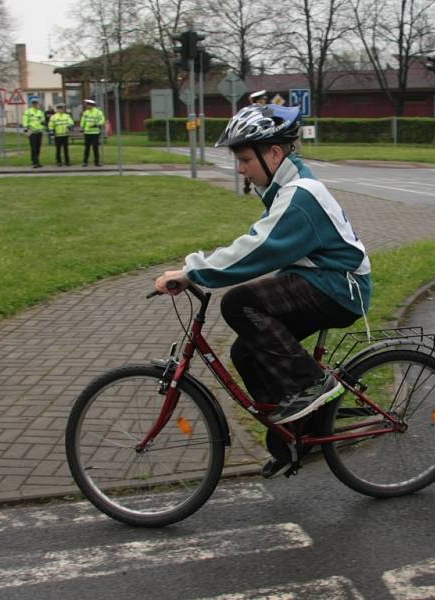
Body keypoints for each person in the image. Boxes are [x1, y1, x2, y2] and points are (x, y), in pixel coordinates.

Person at [154, 104, 372, 478]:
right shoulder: (288, 186)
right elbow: (263, 247)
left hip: (340, 288)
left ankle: (313, 385)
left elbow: (258, 249)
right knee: (246, 350)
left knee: (239, 302)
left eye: (244, 159)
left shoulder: (301, 194)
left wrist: (193, 272)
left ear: (274, 153)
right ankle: (294, 437)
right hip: (322, 282)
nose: (240, 169)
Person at [80, 99, 105, 166]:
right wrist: (82, 127)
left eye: (88, 104)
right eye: (86, 104)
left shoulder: (98, 112)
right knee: (86, 148)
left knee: (95, 148)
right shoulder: (85, 112)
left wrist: (97, 124)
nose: (87, 106)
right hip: (87, 133)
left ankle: (97, 162)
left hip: (95, 133)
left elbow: (102, 120)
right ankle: (85, 162)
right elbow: (83, 120)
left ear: (92, 105)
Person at [23, 97, 46, 168]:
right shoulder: (28, 112)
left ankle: (37, 161)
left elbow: (43, 121)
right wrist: (26, 129)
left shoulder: (40, 112)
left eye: (36, 103)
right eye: (34, 103)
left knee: (38, 147)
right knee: (34, 147)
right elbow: (25, 121)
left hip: (39, 132)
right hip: (32, 132)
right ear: (31, 104)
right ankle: (35, 162)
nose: (35, 104)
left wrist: (43, 125)